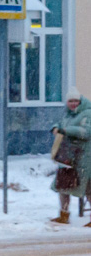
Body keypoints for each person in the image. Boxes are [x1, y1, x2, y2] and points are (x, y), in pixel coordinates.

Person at [51, 88, 91, 225]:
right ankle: (64, 215)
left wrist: (65, 131)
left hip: (84, 158)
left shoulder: (87, 113)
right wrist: (56, 127)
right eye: (70, 101)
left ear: (80, 101)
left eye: (76, 101)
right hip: (68, 157)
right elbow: (61, 124)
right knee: (63, 186)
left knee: (88, 189)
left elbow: (86, 132)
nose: (73, 103)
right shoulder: (68, 115)